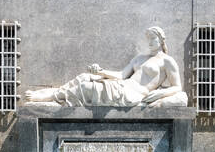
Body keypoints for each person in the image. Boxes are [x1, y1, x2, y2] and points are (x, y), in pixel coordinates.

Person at [24, 26, 187, 107]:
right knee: (84, 77)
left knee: (88, 88)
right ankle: (56, 94)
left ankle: (51, 97)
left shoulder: (167, 61)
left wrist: (160, 94)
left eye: (153, 38)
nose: (150, 42)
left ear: (161, 39)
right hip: (122, 85)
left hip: (132, 94)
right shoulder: (140, 58)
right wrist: (101, 71)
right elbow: (122, 75)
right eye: (148, 39)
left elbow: (177, 87)